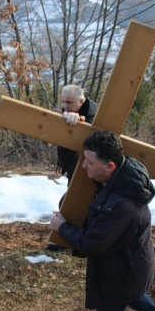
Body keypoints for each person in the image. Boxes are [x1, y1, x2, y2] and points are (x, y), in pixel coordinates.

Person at [50, 130, 155, 311]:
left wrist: (63, 227)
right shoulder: (125, 176)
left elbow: (92, 243)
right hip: (133, 262)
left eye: (89, 163)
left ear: (109, 166)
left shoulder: (121, 205)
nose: (83, 167)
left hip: (122, 268)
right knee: (134, 295)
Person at [47, 85, 98, 251]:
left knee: (71, 205)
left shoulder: (93, 115)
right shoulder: (69, 112)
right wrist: (61, 162)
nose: (66, 106)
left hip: (89, 169)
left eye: (69, 102)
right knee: (70, 204)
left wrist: (82, 122)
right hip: (74, 168)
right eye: (63, 102)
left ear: (81, 101)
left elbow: (90, 138)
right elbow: (67, 140)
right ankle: (73, 239)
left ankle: (71, 240)